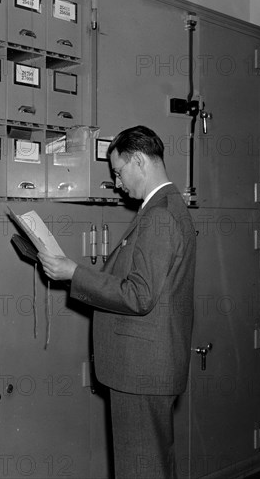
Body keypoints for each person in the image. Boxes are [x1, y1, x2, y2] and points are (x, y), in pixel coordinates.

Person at [38, 125, 196, 479]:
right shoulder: (166, 207)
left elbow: (139, 295)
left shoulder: (159, 215)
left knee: (141, 469)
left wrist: (73, 273)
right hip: (147, 367)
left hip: (141, 371)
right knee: (150, 465)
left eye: (118, 172)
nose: (118, 183)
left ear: (138, 161)